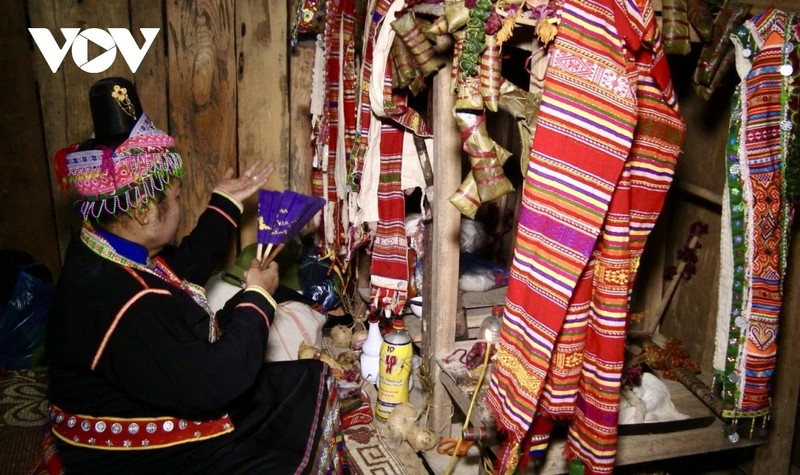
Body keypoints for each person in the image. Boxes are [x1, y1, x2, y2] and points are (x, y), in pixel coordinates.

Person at [46, 77, 342, 474]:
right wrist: (258, 297)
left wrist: (225, 204)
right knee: (281, 424)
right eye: (176, 196)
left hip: (140, 388)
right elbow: (215, 383)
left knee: (298, 382)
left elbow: (176, 271)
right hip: (125, 452)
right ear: (142, 212)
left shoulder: (100, 247)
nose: (181, 199)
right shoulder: (130, 303)